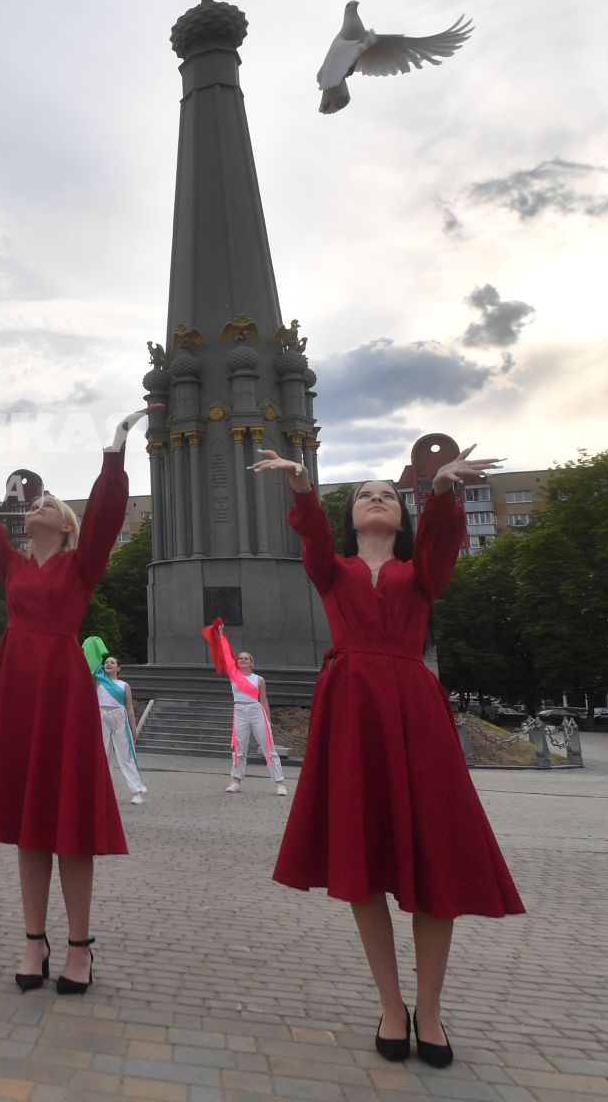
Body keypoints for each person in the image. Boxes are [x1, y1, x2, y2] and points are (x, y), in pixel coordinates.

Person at [253, 445, 524, 1068]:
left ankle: (429, 1011)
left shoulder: (419, 573)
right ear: (350, 518)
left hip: (412, 709)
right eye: (363, 494)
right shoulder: (334, 570)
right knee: (362, 859)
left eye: (388, 495)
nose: (375, 498)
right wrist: (301, 487)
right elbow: (314, 544)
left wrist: (445, 491)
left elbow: (440, 543)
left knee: (433, 860)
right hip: (351, 710)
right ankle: (391, 1007)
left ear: (403, 518)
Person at [0, 408, 149, 996]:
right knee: (31, 825)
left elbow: (111, 512)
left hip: (62, 691)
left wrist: (114, 451)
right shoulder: (11, 563)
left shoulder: (81, 565)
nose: (36, 506)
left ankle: (80, 947)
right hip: (17, 690)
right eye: (35, 504)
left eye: (49, 505)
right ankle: (33, 941)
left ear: (66, 526)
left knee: (71, 824)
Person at [208, 625, 285, 796]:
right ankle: (236, 781)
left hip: (256, 711)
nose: (243, 660)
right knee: (239, 748)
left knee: (268, 746)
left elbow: (264, 700)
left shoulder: (259, 679)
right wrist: (221, 634)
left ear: (251, 662)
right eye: (241, 658)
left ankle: (279, 782)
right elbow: (226, 655)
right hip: (240, 711)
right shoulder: (234, 676)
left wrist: (268, 719)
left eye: (246, 658)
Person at [87, 645, 146, 805]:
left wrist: (134, 730)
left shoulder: (123, 685)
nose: (108, 664)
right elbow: (89, 665)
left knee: (125, 755)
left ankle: (137, 791)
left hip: (119, 718)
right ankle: (103, 791)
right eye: (106, 662)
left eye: (112, 663)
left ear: (118, 668)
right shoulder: (98, 682)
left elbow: (129, 708)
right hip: (102, 717)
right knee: (103, 755)